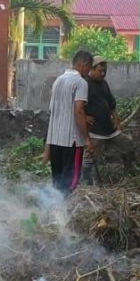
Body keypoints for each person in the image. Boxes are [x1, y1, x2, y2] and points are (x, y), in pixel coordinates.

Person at [43, 50, 94, 194]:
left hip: (55, 141)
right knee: (70, 185)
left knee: (57, 183)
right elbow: (78, 110)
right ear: (84, 65)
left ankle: (56, 211)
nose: (88, 72)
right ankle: (64, 213)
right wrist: (86, 139)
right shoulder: (81, 82)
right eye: (89, 68)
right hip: (72, 141)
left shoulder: (58, 80)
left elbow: (52, 112)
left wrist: (47, 146)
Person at [80, 56, 135, 185]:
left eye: (104, 71)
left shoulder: (104, 83)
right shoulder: (84, 84)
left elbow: (111, 104)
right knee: (90, 157)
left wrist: (116, 119)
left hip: (109, 129)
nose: (103, 73)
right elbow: (77, 106)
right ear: (91, 70)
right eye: (100, 71)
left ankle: (130, 171)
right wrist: (84, 117)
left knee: (127, 143)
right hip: (95, 131)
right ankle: (86, 183)